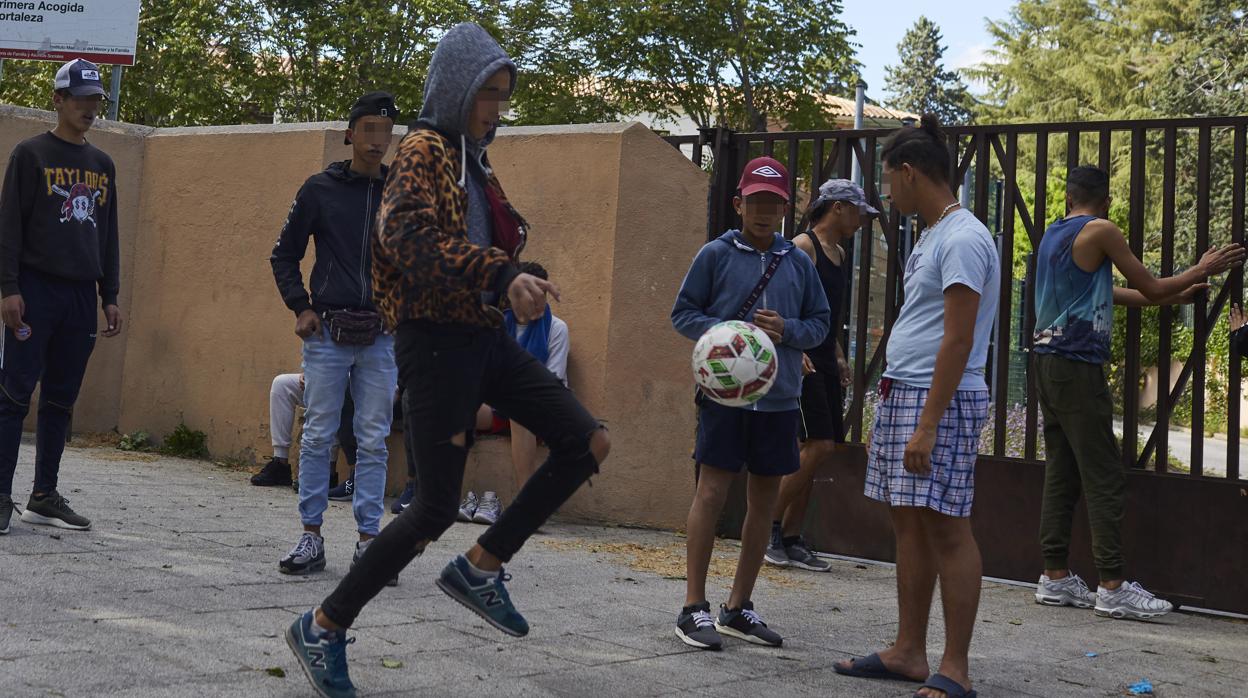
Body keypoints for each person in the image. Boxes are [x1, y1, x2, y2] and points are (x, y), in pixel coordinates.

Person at [284, 24, 610, 697]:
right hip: (433, 345)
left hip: (483, 340)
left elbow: (475, 243)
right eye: (487, 94)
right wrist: (498, 274)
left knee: (587, 441)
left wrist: (508, 281)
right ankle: (323, 623)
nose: (495, 109)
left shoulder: (470, 157)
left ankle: (482, 566)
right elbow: (405, 237)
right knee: (433, 509)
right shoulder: (424, 151)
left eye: (502, 97)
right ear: (457, 88)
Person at [1030, 165, 1243, 621]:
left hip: (1046, 364)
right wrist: (1200, 270)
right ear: (1105, 201)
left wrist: (1172, 295)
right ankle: (1112, 586)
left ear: (1069, 198)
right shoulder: (1102, 230)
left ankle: (1054, 578)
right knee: (1104, 475)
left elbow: (1113, 294)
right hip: (1077, 367)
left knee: (1063, 472)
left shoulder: (1055, 234)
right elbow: (1147, 283)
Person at [835, 115, 999, 698]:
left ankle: (954, 668)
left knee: (948, 528)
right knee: (907, 520)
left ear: (909, 173)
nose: (885, 195)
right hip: (905, 390)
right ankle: (908, 651)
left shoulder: (963, 238)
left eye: (887, 181)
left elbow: (958, 339)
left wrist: (928, 424)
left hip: (940, 401)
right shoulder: (933, 234)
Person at [671, 156, 831, 651]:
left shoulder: (798, 261)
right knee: (712, 492)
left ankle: (738, 607)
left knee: (763, 503)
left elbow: (820, 323)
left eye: (774, 202)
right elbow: (683, 314)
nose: (764, 210)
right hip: (723, 396)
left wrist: (788, 332)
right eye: (756, 201)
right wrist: (727, 334)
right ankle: (692, 607)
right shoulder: (715, 255)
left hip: (779, 400)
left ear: (785, 208)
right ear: (740, 203)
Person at [269, 92, 399, 581]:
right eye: (366, 129)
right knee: (320, 434)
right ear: (350, 134)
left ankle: (370, 542)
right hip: (327, 331)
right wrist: (300, 307)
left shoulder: (401, 192)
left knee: (373, 438)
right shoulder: (319, 188)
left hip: (382, 336)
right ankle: (311, 535)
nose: (375, 140)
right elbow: (283, 254)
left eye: (384, 130)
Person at [0, 60, 122, 535]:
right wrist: (9, 288)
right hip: (34, 291)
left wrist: (108, 294)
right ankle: (1, 496)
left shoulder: (103, 164)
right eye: (80, 99)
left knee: (60, 400)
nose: (89, 107)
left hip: (79, 296)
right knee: (12, 395)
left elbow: (108, 235)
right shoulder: (30, 155)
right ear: (58, 100)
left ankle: (43, 495)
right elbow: (8, 227)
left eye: (95, 100)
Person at [765, 179, 874, 573]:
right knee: (819, 445)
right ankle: (767, 529)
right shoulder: (802, 246)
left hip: (825, 356)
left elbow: (826, 314)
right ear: (839, 208)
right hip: (802, 357)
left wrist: (839, 354)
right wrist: (797, 350)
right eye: (858, 211)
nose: (862, 220)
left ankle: (791, 538)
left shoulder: (840, 253)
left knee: (815, 450)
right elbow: (782, 303)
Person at [458, 260, 571, 526]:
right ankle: (439, 494)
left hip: (540, 409)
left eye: (541, 296)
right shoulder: (497, 324)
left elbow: (550, 382)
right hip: (499, 405)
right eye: (530, 294)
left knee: (521, 411)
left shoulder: (556, 328)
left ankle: (527, 505)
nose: (537, 302)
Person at [250, 373, 354, 492]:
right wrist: (310, 370)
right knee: (282, 384)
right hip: (324, 373)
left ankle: (326, 473)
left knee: (332, 390)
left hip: (353, 380)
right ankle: (280, 463)